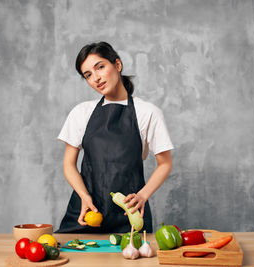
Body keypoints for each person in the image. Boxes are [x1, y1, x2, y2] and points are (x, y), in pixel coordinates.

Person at [56, 41, 173, 233]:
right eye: (88, 75)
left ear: (117, 65)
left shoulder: (148, 113)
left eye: (100, 67)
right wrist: (84, 196)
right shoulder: (81, 112)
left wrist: (142, 196)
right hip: (86, 214)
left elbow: (165, 163)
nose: (96, 78)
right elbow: (69, 164)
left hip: (129, 216)